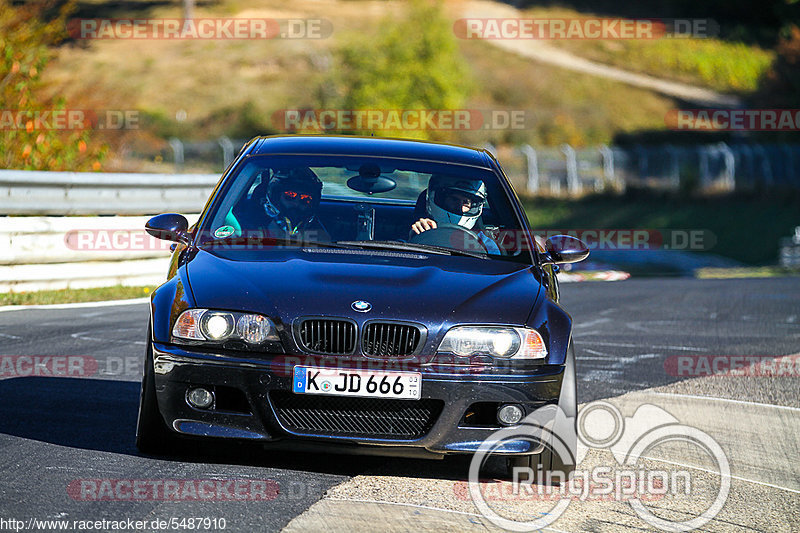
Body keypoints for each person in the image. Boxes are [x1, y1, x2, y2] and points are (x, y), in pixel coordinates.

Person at [410, 174, 500, 253]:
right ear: (440, 199)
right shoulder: (421, 229)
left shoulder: (485, 243)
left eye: (466, 202)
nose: (460, 208)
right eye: (454, 199)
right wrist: (416, 236)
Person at [260, 166, 329, 241]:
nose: (296, 203)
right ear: (276, 198)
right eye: (290, 196)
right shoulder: (251, 227)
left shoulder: (320, 236)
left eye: (305, 199)